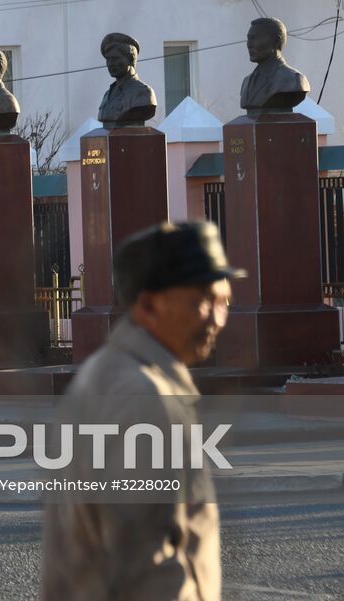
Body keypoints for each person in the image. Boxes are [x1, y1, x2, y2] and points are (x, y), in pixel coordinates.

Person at [41, 221, 243, 601]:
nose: (218, 319)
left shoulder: (108, 373)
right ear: (148, 305)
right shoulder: (144, 397)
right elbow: (149, 566)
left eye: (224, 301)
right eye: (203, 301)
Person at [238, 18, 308, 113]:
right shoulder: (247, 82)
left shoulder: (294, 79)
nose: (249, 45)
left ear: (276, 41)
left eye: (255, 38)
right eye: (249, 38)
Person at [96, 34, 156, 127]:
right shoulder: (107, 95)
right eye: (108, 59)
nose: (110, 64)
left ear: (131, 59)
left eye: (115, 58)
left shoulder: (144, 92)